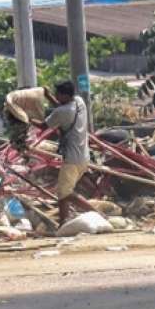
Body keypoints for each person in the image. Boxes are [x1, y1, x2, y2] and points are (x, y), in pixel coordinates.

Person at [40, 81, 93, 224]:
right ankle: (63, 223)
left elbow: (43, 126)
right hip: (84, 157)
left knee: (65, 193)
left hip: (72, 159)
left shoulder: (62, 112)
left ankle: (96, 213)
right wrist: (49, 97)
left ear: (64, 95)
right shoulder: (78, 101)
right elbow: (62, 109)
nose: (56, 96)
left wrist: (23, 118)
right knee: (63, 192)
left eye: (57, 94)